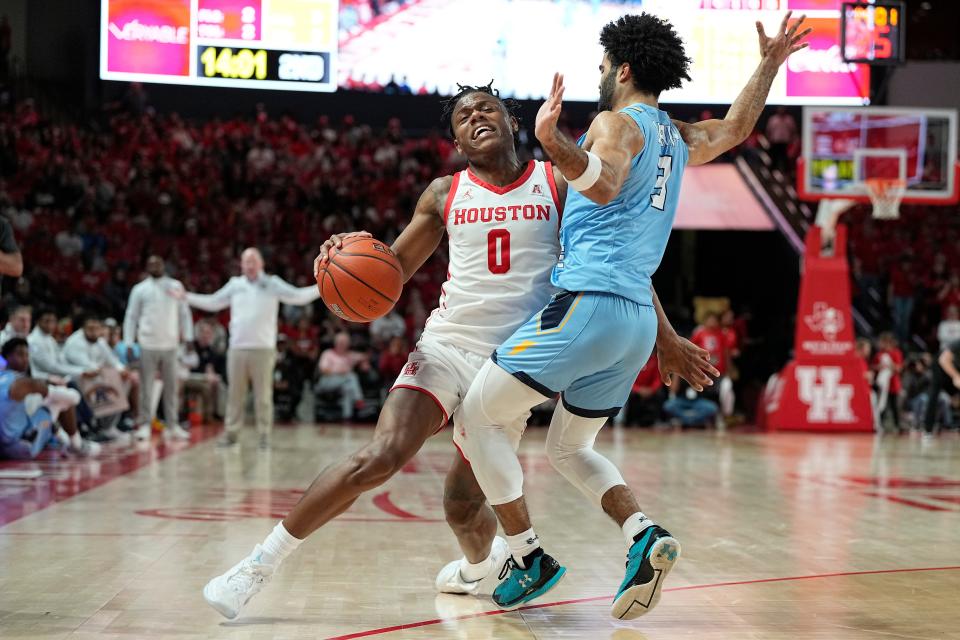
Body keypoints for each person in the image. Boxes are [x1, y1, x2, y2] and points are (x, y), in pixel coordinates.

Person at [201, 80, 714, 621]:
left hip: (514, 366)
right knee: (379, 456)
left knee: (463, 506)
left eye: (486, 108)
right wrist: (340, 261)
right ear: (457, 141)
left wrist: (666, 335)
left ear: (512, 122)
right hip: (447, 347)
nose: (475, 117)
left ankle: (480, 571)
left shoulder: (558, 182)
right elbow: (388, 276)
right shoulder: (444, 193)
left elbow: (614, 266)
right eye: (463, 116)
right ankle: (256, 566)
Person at [453, 11, 809, 617]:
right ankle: (642, 534)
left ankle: (527, 554)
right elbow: (737, 127)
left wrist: (554, 141)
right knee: (569, 448)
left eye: (600, 66)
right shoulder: (676, 134)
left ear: (621, 68)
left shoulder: (614, 123)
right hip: (636, 321)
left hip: (587, 308)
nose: (597, 75)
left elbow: (604, 183)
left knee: (473, 419)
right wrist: (770, 64)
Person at [177, 248, 320, 448]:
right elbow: (213, 302)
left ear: (261, 263)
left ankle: (264, 436)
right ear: (241, 265)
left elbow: (297, 296)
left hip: (263, 349)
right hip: (237, 349)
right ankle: (231, 434)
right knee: (235, 395)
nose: (250, 265)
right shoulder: (235, 285)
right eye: (246, 261)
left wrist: (321, 287)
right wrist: (187, 296)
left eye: (253, 261)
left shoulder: (272, 283)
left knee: (263, 396)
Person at [123, 255, 195, 441]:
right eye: (151, 264)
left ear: (164, 265)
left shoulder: (175, 286)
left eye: (158, 263)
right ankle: (145, 424)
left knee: (171, 387)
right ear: (147, 267)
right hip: (147, 344)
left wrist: (188, 337)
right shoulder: (139, 289)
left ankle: (173, 425)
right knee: (146, 387)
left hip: (171, 344)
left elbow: (185, 313)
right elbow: (131, 316)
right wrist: (129, 342)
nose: (154, 266)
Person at [0, 338, 99, 459]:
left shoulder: (6, 377)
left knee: (40, 407)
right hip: (18, 448)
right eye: (20, 354)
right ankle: (76, 445)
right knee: (58, 402)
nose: (25, 359)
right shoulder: (22, 383)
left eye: (27, 355)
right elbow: (74, 398)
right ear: (6, 357)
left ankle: (64, 440)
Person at [62, 315, 140, 423]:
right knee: (106, 379)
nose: (94, 332)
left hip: (95, 376)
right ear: (83, 328)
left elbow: (112, 361)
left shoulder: (100, 341)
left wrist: (122, 370)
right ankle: (95, 423)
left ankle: (112, 424)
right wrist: (105, 370)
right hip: (76, 378)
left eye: (97, 329)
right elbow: (87, 366)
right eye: (90, 329)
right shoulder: (74, 342)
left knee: (125, 378)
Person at [315, 331, 368, 421]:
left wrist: (364, 363)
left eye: (345, 343)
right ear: (336, 343)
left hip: (344, 383)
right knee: (351, 376)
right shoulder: (328, 353)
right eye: (341, 343)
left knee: (347, 388)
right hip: (327, 381)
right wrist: (340, 371)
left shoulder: (350, 355)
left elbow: (365, 356)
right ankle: (359, 399)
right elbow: (324, 370)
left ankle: (347, 418)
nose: (343, 345)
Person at [922, 339, 960, 437]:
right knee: (934, 395)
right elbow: (943, 360)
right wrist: (955, 376)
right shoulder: (957, 343)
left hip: (955, 368)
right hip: (940, 367)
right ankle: (928, 430)